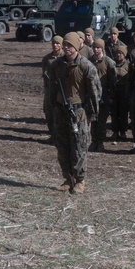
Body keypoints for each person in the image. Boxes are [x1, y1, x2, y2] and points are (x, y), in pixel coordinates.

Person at [49, 32, 100, 193]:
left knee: (79, 146)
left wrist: (91, 115)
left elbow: (95, 92)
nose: (66, 48)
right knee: (62, 146)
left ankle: (80, 180)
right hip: (60, 110)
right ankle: (68, 178)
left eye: (69, 45)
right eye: (65, 45)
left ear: (76, 46)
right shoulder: (57, 65)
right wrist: (53, 108)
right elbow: (51, 88)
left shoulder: (86, 66)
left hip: (78, 111)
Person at [89, 38, 116, 152]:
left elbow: (113, 81)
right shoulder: (88, 61)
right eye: (94, 47)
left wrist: (111, 96)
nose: (96, 49)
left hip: (104, 95)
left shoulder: (108, 62)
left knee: (101, 120)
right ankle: (93, 141)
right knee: (93, 119)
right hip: (91, 95)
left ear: (102, 48)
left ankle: (100, 142)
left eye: (98, 47)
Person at [41, 35, 64, 142]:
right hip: (50, 90)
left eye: (58, 43)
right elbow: (44, 73)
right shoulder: (46, 59)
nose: (55, 45)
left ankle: (60, 136)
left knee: (60, 115)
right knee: (49, 113)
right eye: (54, 43)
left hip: (62, 91)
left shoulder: (64, 58)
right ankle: (53, 135)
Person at [110, 43, 131, 141]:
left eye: (121, 53)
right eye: (117, 53)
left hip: (124, 91)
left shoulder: (128, 65)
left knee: (123, 112)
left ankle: (123, 131)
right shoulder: (112, 64)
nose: (118, 55)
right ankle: (115, 131)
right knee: (114, 112)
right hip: (114, 90)